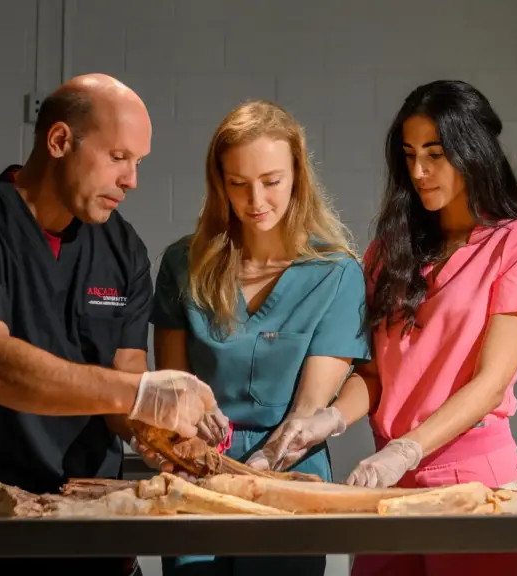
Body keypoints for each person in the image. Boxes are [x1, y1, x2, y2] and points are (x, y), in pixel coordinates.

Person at [0, 73, 217, 576]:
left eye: (138, 163)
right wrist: (139, 393)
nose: (132, 180)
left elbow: (127, 376)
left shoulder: (121, 248)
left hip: (88, 526)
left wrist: (165, 434)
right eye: (118, 158)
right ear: (60, 140)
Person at [248, 80, 517, 576]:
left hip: (472, 482)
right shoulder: (388, 253)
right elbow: (375, 377)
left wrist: (408, 448)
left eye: (435, 154)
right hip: (388, 483)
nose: (418, 171)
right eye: (410, 155)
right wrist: (327, 420)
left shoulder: (515, 243)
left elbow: (491, 381)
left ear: (472, 151)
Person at [147, 100, 371, 576]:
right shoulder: (182, 266)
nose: (256, 201)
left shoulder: (335, 274)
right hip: (197, 472)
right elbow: (172, 388)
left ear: (297, 176)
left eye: (271, 182)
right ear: (219, 184)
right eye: (238, 184)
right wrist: (179, 439)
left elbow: (310, 406)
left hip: (289, 470)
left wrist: (273, 454)